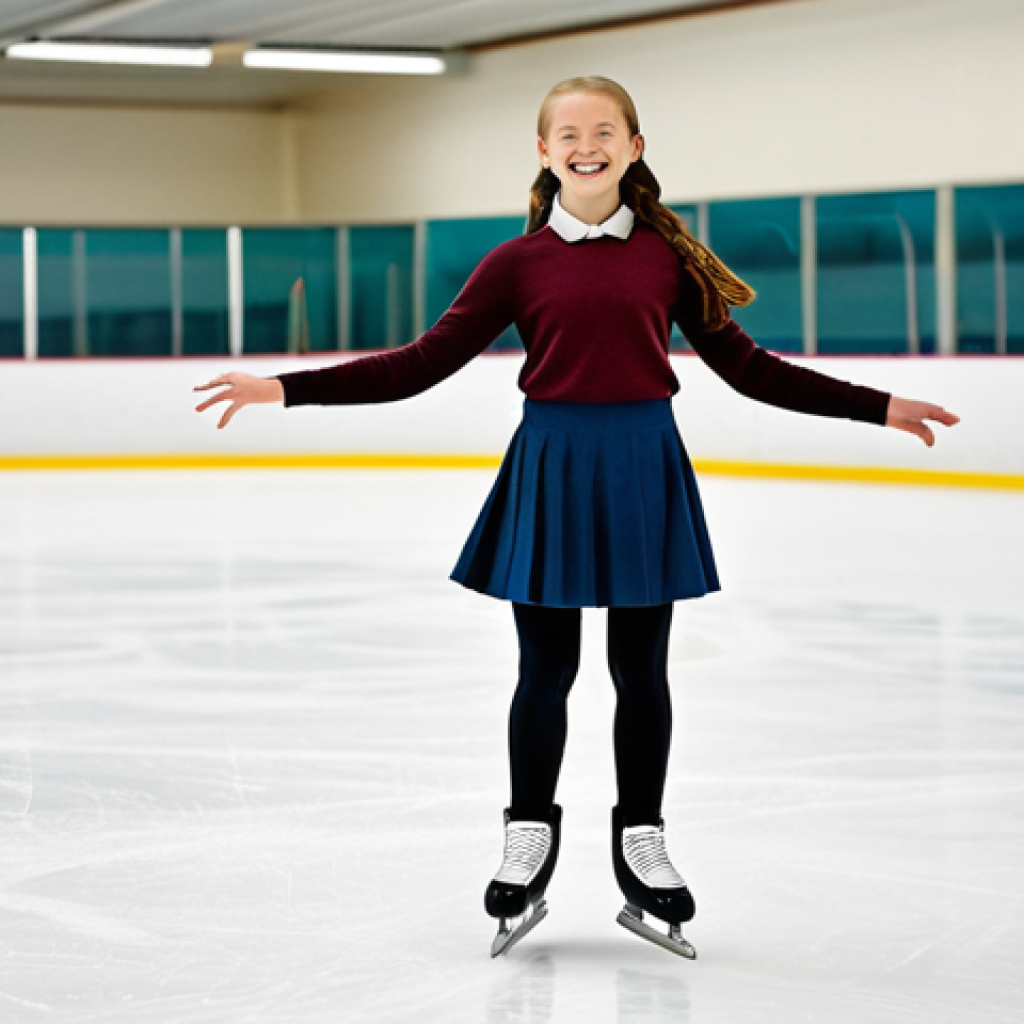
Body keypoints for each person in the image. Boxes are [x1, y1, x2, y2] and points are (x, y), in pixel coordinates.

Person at [194, 76, 959, 960]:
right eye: (568, 131)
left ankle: (643, 836)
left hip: (643, 470)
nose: (585, 143)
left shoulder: (668, 261)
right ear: (544, 150)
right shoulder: (515, 265)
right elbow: (419, 364)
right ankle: (530, 832)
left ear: (635, 148)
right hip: (551, 469)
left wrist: (879, 407)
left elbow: (753, 370)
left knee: (643, 672)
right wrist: (285, 389)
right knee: (545, 670)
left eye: (605, 130)